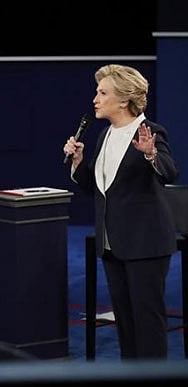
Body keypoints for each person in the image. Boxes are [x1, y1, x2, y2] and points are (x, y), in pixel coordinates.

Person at [63, 64, 179, 359]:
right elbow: (97, 187)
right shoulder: (104, 136)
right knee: (125, 321)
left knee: (146, 319)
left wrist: (151, 153)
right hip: (113, 244)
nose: (95, 99)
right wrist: (78, 163)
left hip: (145, 243)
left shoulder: (149, 132)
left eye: (103, 93)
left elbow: (169, 173)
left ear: (124, 99)